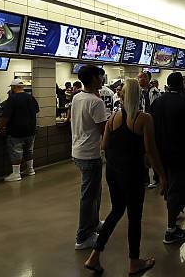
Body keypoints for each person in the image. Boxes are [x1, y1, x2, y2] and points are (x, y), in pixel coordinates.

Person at [83, 79, 167, 275]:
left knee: (116, 211)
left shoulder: (113, 118)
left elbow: (104, 146)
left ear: (121, 95)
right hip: (133, 173)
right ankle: (134, 262)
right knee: (134, 217)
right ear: (138, 95)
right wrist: (162, 175)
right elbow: (151, 151)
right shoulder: (144, 119)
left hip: (113, 172)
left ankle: (94, 256)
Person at [149, 72, 185, 244]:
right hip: (178, 152)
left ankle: (173, 213)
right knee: (176, 187)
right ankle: (170, 230)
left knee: (167, 184)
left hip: (160, 152)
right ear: (181, 85)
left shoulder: (157, 102)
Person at [71, 65, 108, 250]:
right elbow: (104, 131)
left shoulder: (77, 97)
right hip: (90, 154)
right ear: (93, 79)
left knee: (95, 192)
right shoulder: (96, 102)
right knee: (88, 196)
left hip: (78, 152)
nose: (102, 79)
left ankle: (93, 225)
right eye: (100, 76)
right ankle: (83, 237)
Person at [0, 79, 40, 182]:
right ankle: (30, 169)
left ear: (13, 87)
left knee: (16, 151)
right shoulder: (31, 97)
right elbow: (36, 110)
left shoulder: (12, 99)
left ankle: (16, 174)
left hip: (16, 130)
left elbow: (5, 116)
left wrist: (2, 127)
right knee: (29, 150)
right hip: (30, 129)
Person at [138, 71, 161, 188]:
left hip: (153, 126)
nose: (138, 80)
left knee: (153, 151)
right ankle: (145, 178)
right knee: (142, 153)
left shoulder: (155, 93)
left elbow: (157, 110)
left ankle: (157, 177)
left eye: (140, 78)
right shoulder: (138, 92)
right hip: (141, 126)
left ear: (147, 79)